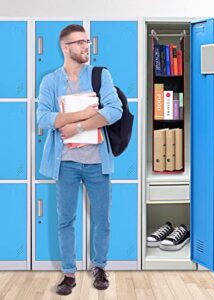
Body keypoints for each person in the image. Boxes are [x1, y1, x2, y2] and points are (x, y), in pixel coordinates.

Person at [37, 24, 123, 295]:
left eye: (87, 42)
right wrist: (83, 113)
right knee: (65, 220)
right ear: (65, 47)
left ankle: (99, 266)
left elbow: (114, 110)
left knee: (102, 220)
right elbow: (43, 118)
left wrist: (77, 127)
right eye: (80, 42)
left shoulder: (100, 76)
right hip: (66, 163)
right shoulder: (51, 81)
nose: (87, 46)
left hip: (98, 161)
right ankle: (69, 274)